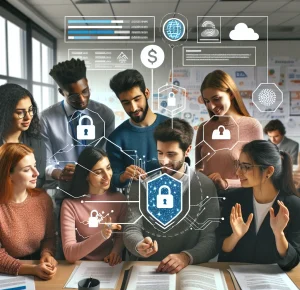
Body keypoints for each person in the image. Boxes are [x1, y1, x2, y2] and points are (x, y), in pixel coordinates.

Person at [124, 118, 220, 274]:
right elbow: (130, 229)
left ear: (187, 151)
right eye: (160, 153)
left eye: (171, 154)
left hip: (189, 270)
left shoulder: (205, 185)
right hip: (148, 270)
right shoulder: (141, 183)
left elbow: (211, 238)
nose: (164, 161)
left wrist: (186, 257)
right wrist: (138, 244)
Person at [218, 140, 300, 271]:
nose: (238, 172)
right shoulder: (233, 198)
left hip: (271, 282)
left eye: (246, 166)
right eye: (238, 165)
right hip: (232, 277)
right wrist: (236, 236)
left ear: (268, 171)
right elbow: (221, 249)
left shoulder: (293, 205)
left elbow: (292, 261)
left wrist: (279, 234)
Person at [40, 58, 115, 189]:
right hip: (63, 188)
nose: (82, 100)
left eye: (85, 91)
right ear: (62, 92)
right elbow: (45, 161)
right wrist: (59, 173)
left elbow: (109, 154)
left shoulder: (105, 115)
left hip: (97, 188)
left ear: (87, 84)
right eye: (73, 96)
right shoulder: (46, 118)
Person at [195, 70, 263, 191]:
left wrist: (227, 183)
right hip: (207, 199)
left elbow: (257, 174)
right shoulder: (204, 128)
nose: (211, 106)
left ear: (231, 94)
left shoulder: (252, 126)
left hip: (239, 198)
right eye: (206, 101)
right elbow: (198, 168)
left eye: (216, 99)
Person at [61, 147, 126, 264]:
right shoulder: (70, 205)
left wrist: (115, 252)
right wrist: (102, 234)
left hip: (109, 267)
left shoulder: (120, 200)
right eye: (98, 172)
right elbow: (69, 254)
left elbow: (120, 236)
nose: (107, 176)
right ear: (86, 175)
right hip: (79, 267)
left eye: (108, 168)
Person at [0, 143, 57, 279]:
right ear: (9, 174)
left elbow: (49, 238)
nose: (36, 173)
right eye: (27, 170)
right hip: (8, 273)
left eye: (35, 165)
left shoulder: (43, 199)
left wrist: (47, 255)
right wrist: (31, 269)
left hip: (38, 267)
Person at [107, 69, 168, 188]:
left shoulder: (172, 126)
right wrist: (123, 176)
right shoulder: (115, 138)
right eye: (126, 103)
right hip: (135, 204)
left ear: (147, 93)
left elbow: (185, 167)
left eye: (137, 99)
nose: (133, 108)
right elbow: (113, 178)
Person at [0, 83, 46, 188]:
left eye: (30, 110)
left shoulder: (37, 142)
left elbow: (39, 179)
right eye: (20, 112)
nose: (28, 117)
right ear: (4, 113)